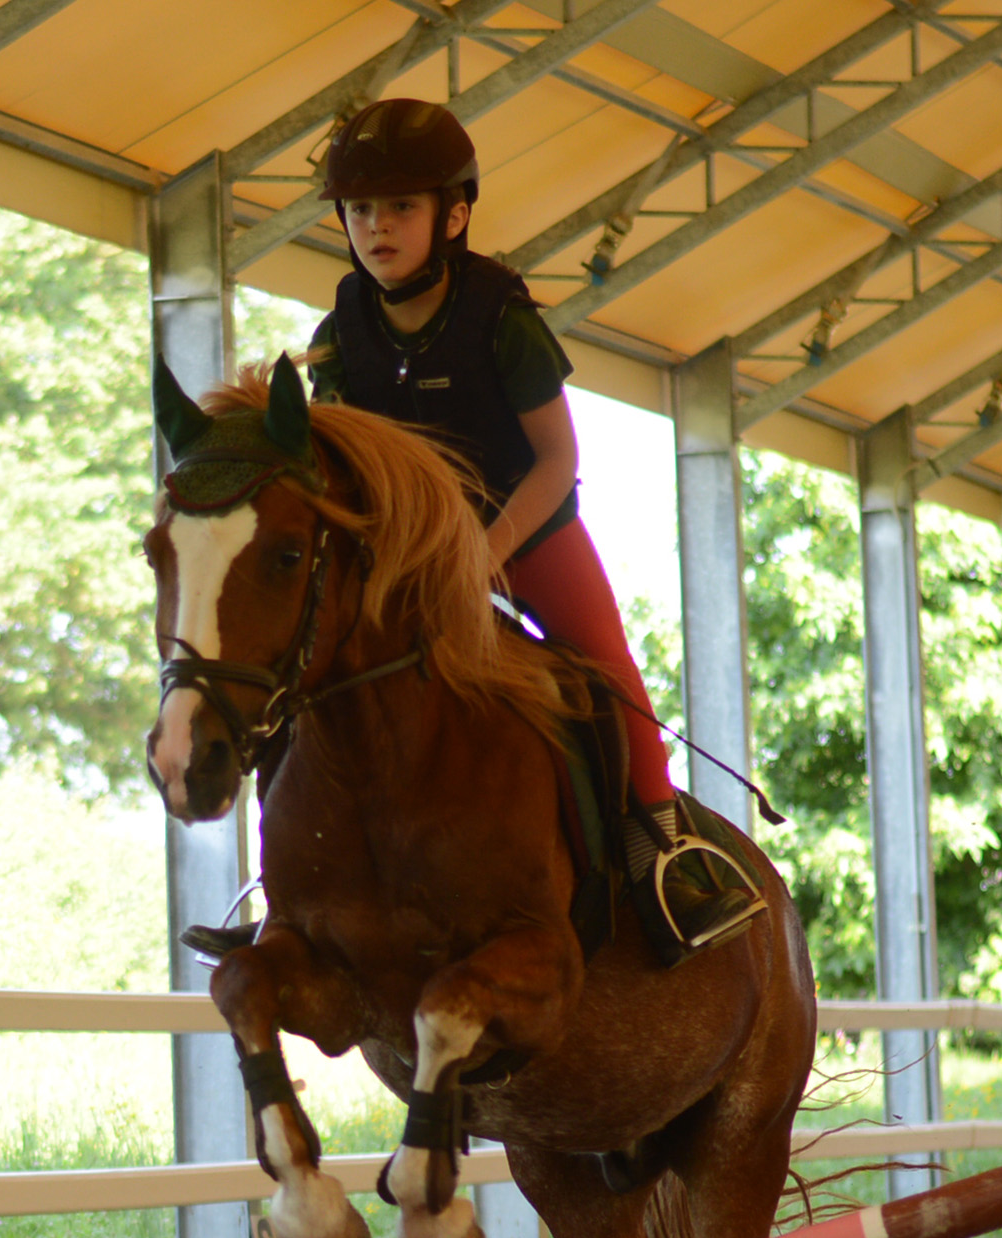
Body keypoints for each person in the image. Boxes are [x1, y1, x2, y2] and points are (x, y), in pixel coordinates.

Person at [303, 97, 736, 967]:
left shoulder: (504, 320)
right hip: (409, 551)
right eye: (359, 212)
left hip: (527, 530)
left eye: (400, 209)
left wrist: (484, 555)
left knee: (606, 663)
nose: (375, 229)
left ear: (453, 216)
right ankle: (296, 869)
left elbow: (556, 459)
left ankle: (666, 851)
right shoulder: (337, 339)